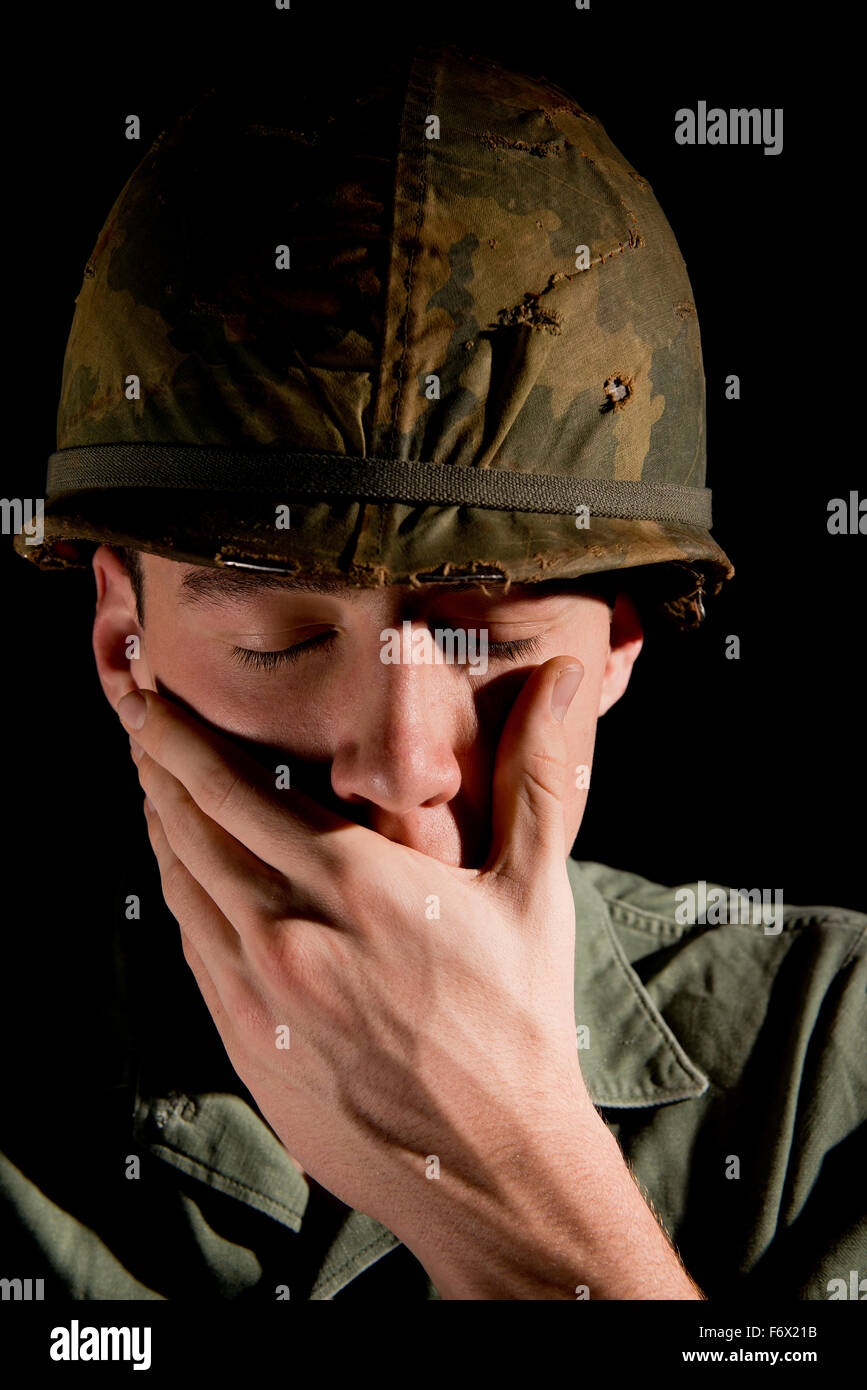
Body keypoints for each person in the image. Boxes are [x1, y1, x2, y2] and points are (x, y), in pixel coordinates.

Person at [3, 42, 864, 1302]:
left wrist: (515, 1185)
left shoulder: (833, 1058)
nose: (401, 772)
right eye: (279, 642)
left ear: (620, 641)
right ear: (120, 641)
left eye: (496, 643)